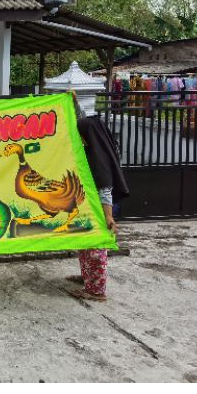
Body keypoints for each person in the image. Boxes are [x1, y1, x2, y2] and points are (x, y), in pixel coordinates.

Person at [68, 114, 130, 302]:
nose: (78, 138)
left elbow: (105, 190)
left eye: (80, 135)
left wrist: (108, 217)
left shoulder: (98, 160)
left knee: (95, 251)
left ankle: (96, 291)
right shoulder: (95, 151)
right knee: (86, 245)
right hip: (92, 210)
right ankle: (88, 278)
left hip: (101, 211)